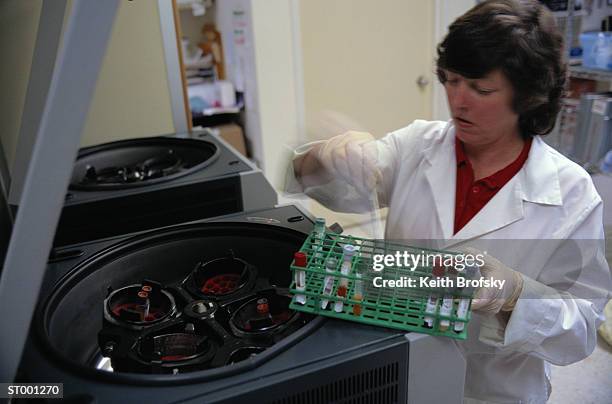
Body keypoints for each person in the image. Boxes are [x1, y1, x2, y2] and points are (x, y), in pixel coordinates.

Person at [290, 0, 612, 402]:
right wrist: (324, 157)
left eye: (481, 89)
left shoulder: (572, 194)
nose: (458, 101)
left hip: (493, 391)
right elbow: (339, 189)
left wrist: (515, 295)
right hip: (398, 372)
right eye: (452, 79)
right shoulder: (417, 145)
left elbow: (581, 330)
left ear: (529, 96)